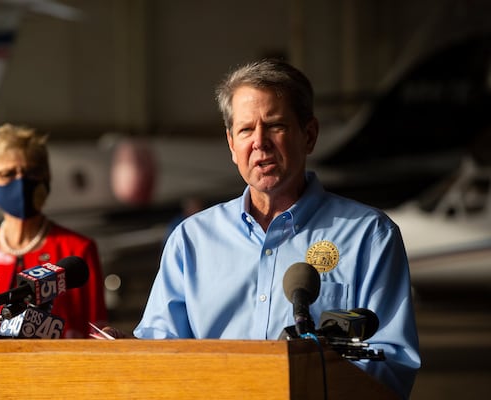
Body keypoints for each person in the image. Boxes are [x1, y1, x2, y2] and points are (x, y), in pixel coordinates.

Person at [132, 59, 420, 399]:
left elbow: (392, 364)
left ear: (309, 135)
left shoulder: (369, 236)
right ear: (231, 145)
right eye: (245, 130)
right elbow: (158, 350)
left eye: (275, 125)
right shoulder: (191, 240)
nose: (260, 142)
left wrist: (307, 378)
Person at [0, 123, 107, 399]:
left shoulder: (78, 250)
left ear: (46, 178)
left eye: (31, 172)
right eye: (8, 174)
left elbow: (95, 335)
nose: (21, 181)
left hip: (55, 387)